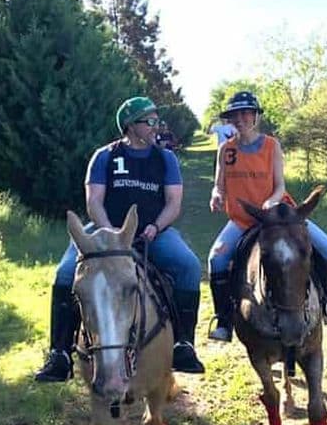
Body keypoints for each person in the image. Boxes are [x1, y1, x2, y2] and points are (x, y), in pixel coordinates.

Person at [34, 96, 205, 382]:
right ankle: (59, 354)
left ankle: (183, 344)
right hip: (104, 232)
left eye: (156, 121)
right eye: (149, 121)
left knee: (189, 266)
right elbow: (94, 201)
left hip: (153, 232)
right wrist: (113, 234)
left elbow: (173, 203)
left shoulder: (165, 158)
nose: (156, 127)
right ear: (130, 125)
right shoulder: (104, 156)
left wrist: (155, 226)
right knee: (65, 273)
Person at [207, 90, 327, 342]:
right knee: (216, 261)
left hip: (280, 216)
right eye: (235, 115)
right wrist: (217, 194)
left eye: (245, 113)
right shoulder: (226, 150)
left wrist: (271, 202)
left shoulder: (271, 145)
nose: (240, 119)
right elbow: (218, 183)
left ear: (255, 117)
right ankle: (224, 319)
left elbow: (280, 186)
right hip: (243, 219)